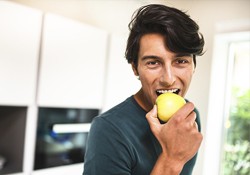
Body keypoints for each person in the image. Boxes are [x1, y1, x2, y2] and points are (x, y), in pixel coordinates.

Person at [83, 4, 204, 175]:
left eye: (181, 61)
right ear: (135, 68)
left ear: (193, 66)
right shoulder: (108, 129)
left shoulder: (190, 117)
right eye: (153, 63)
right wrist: (171, 158)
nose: (168, 79)